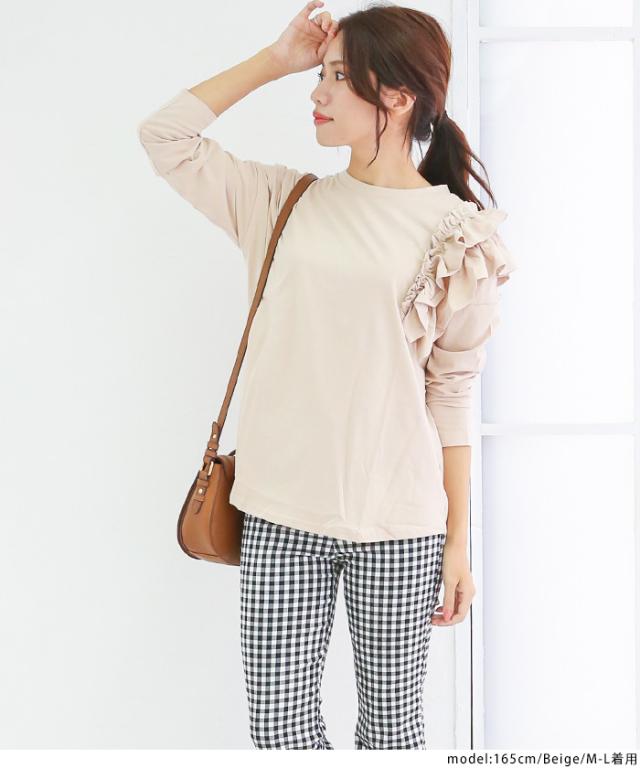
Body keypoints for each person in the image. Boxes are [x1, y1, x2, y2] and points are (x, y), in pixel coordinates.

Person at [138, 0, 517, 750]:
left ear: (397, 96)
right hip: (279, 516)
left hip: (401, 526)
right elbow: (164, 135)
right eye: (321, 74)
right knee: (280, 733)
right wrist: (276, 60)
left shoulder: (459, 236)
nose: (316, 92)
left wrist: (458, 544)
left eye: (338, 77)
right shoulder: (282, 202)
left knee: (391, 736)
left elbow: (451, 395)